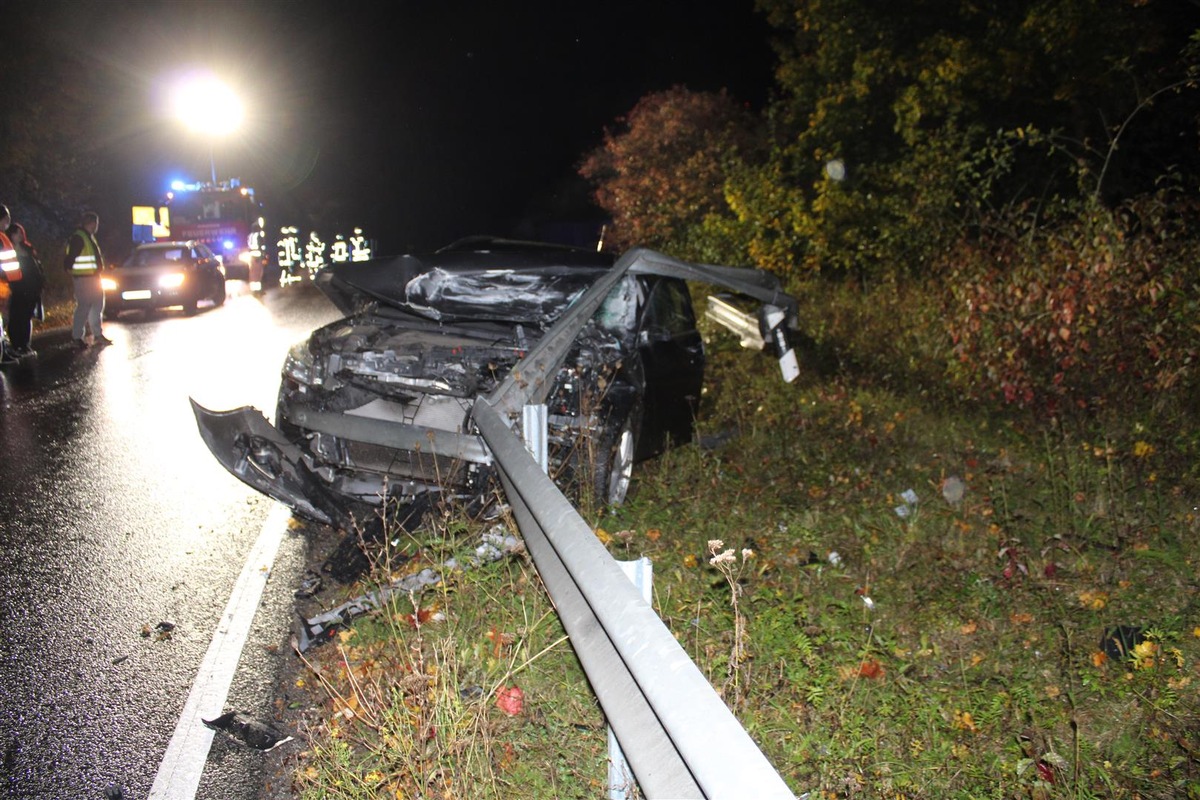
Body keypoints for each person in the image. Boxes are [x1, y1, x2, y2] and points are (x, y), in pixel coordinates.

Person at [63, 211, 112, 348]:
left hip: (92, 278)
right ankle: (77, 337)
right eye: (96, 223)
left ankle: (97, 334)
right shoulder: (79, 237)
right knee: (84, 307)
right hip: (84, 278)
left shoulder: (87, 236)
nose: (97, 226)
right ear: (92, 223)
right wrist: (69, 269)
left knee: (97, 305)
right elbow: (70, 257)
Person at [6, 221, 46, 357]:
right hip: (17, 289)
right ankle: (16, 344)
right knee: (17, 316)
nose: (20, 235)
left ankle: (25, 344)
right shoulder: (8, 251)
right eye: (17, 233)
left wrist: (40, 283)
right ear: (11, 234)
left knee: (27, 317)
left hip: (32, 288)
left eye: (21, 233)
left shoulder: (28, 249)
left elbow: (37, 267)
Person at [0, 204, 21, 364]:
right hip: (1, 285)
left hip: (4, 285)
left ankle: (4, 350)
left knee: (2, 321)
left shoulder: (2, 237)